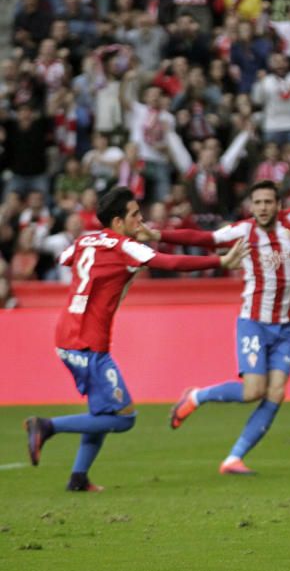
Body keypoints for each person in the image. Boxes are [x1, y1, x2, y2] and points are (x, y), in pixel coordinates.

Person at [138, 180, 290, 474]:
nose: (262, 208)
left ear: (279, 205)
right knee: (252, 391)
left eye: (268, 202)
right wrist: (157, 233)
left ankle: (234, 458)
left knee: (277, 392)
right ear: (251, 206)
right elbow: (204, 238)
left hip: (284, 327)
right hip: (254, 323)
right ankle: (196, 396)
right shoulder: (244, 231)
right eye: (257, 203)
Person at [23, 187, 247, 491]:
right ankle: (47, 426)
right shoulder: (123, 246)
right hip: (87, 343)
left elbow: (66, 259)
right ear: (118, 221)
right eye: (134, 215)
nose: (141, 221)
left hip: (67, 335)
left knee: (100, 411)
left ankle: (78, 478)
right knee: (123, 418)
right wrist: (219, 263)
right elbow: (170, 263)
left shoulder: (83, 240)